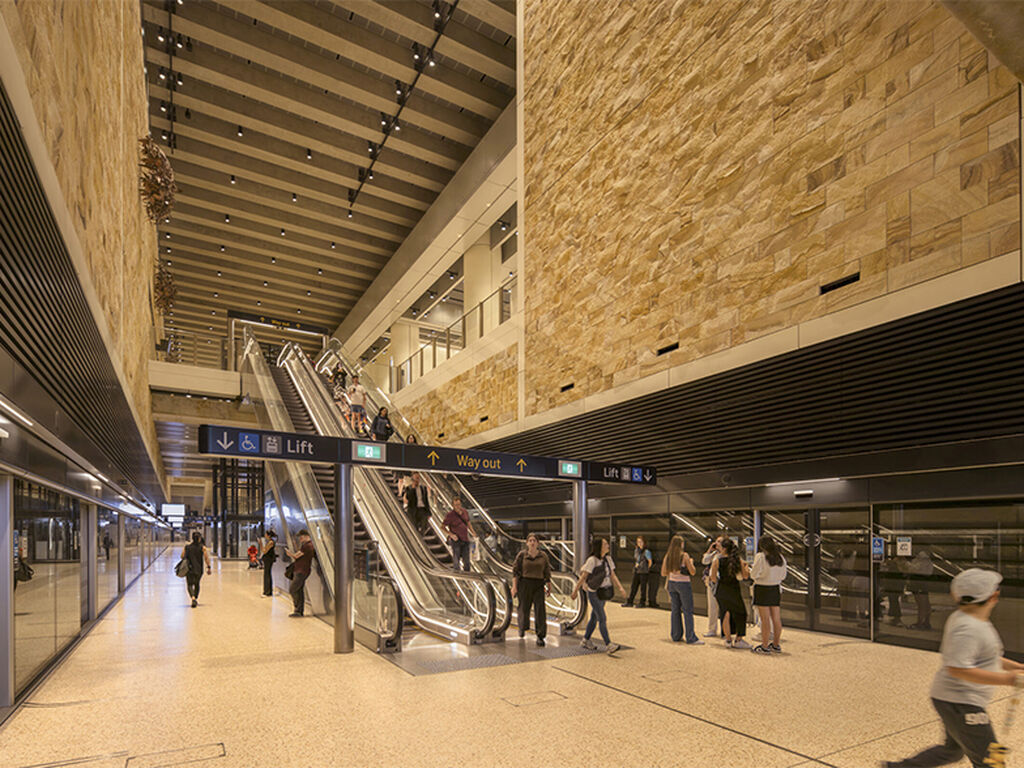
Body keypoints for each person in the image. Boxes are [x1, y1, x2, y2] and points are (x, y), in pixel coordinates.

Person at [882, 568, 1024, 768]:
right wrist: (1009, 679)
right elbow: (958, 669)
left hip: (954, 700)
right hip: (961, 703)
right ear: (994, 596)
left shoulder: (972, 620)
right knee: (991, 761)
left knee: (952, 751)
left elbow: (990, 657)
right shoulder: (968, 628)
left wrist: (1016, 667)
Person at [571, 538, 627, 654]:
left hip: (603, 592)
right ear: (599, 547)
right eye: (605, 544)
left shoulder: (608, 559)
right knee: (602, 617)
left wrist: (620, 588)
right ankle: (608, 644)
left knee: (594, 617)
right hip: (594, 592)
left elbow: (613, 575)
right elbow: (583, 577)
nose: (608, 546)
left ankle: (585, 640)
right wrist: (575, 590)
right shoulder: (592, 560)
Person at [512, 533, 552, 646]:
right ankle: (522, 627)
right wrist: (514, 587)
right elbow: (515, 571)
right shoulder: (522, 555)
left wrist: (549, 585)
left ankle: (540, 635)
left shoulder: (543, 556)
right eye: (530, 540)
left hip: (539, 584)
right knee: (524, 608)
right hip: (525, 583)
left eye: (534, 540)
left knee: (540, 610)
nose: (532, 542)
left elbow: (547, 571)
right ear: (527, 543)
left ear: (538, 543)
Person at [710, 538, 750, 648]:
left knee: (725, 614)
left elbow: (713, 578)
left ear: (723, 549)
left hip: (721, 590)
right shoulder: (738, 560)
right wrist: (745, 567)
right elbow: (746, 576)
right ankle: (738, 639)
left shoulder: (717, 561)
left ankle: (728, 640)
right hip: (734, 589)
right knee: (741, 613)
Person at [662, 535, 702, 644]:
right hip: (683, 584)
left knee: (675, 610)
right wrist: (691, 563)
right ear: (681, 544)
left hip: (671, 583)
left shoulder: (668, 556)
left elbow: (663, 572)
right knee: (687, 610)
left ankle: (676, 635)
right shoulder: (684, 556)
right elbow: (693, 572)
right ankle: (690, 637)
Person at [750, 535, 787, 654]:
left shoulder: (760, 557)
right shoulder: (780, 557)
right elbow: (783, 576)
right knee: (776, 618)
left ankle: (764, 646)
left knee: (765, 619)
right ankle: (776, 645)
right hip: (775, 588)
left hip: (762, 589)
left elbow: (754, 574)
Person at [285, 529, 315, 617]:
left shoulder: (307, 546)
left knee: (293, 589)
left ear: (306, 536)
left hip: (301, 571)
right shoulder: (306, 545)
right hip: (301, 570)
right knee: (299, 590)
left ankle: (297, 609)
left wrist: (289, 554)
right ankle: (299, 611)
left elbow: (296, 556)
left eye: (301, 537)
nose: (300, 539)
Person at [443, 496, 474, 571]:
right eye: (456, 505)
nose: (458, 506)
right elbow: (442, 527)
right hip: (456, 540)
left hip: (465, 539)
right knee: (456, 560)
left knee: (467, 560)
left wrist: (473, 532)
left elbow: (468, 522)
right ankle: (458, 575)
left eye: (459, 504)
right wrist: (451, 535)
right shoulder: (450, 515)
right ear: (453, 506)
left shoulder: (465, 512)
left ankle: (467, 576)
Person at [181, 532, 211, 608]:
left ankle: (193, 598)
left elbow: (182, 556)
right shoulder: (202, 547)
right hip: (198, 569)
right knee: (197, 584)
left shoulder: (187, 547)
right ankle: (195, 597)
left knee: (190, 584)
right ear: (199, 538)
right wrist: (209, 567)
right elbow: (206, 558)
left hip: (189, 568)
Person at [907, 549, 935, 630]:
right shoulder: (927, 560)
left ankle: (920, 623)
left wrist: (906, 563)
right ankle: (926, 622)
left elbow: (913, 569)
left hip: (919, 582)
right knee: (925, 603)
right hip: (923, 582)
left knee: (921, 604)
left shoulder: (922, 559)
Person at [702, 537, 723, 637]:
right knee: (712, 606)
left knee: (724, 607)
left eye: (719, 541)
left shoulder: (725, 555)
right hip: (711, 583)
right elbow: (704, 561)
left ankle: (725, 630)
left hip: (723, 583)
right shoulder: (714, 554)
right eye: (717, 541)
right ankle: (712, 629)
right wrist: (710, 550)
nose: (717, 543)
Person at [623, 536, 652, 608]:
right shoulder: (636, 550)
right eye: (638, 542)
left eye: (641, 542)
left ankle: (642, 602)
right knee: (633, 586)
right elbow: (636, 559)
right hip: (637, 570)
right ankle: (630, 601)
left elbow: (650, 562)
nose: (640, 543)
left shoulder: (647, 551)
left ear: (644, 542)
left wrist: (647, 569)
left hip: (643, 571)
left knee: (643, 588)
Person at [260, 530, 278, 597]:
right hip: (268, 559)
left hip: (268, 559)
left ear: (269, 535)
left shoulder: (271, 542)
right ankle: (269, 591)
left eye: (266, 534)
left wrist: (260, 544)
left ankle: (267, 592)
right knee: (268, 574)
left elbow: (264, 551)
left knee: (266, 574)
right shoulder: (270, 542)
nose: (265, 535)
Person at [645, 541, 661, 608]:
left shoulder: (654, 552)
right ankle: (651, 601)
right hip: (653, 571)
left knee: (655, 587)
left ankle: (653, 600)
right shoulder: (649, 552)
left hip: (656, 571)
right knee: (653, 587)